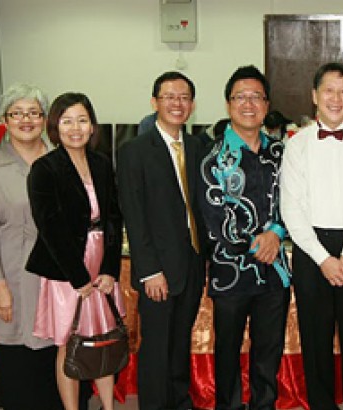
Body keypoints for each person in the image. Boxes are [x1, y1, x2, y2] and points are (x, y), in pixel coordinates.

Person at [280, 62, 343, 410]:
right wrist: (323, 258)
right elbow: (291, 208)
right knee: (315, 340)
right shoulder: (297, 144)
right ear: (314, 96)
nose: (336, 98)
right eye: (329, 90)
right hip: (311, 251)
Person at [198, 65, 291, 410]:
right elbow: (214, 218)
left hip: (274, 273)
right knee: (228, 353)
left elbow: (295, 203)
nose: (248, 104)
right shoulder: (213, 158)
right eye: (241, 97)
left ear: (267, 105)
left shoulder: (283, 153)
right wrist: (260, 243)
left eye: (256, 97)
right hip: (230, 271)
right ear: (228, 104)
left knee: (268, 352)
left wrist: (276, 233)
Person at [25, 92, 124, 410]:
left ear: (92, 126)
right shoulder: (45, 168)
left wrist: (109, 269)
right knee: (69, 342)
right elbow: (49, 228)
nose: (75, 128)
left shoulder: (102, 163)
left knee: (105, 335)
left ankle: (108, 406)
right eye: (67, 121)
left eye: (82, 120)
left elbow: (113, 218)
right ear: (55, 127)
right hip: (66, 266)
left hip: (101, 259)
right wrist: (79, 277)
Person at [117, 71, 205, 410]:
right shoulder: (134, 151)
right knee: (156, 347)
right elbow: (134, 216)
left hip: (193, 262)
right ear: (155, 102)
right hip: (158, 269)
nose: (177, 103)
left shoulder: (198, 147)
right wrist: (149, 270)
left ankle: (179, 402)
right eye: (169, 96)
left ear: (192, 105)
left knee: (179, 343)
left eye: (183, 97)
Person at [0, 83, 66, 410]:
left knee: (60, 345)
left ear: (44, 119)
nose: (26, 120)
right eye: (17, 113)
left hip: (59, 276)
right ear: (6, 120)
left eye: (33, 113)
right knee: (19, 345)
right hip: (13, 275)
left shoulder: (61, 161)